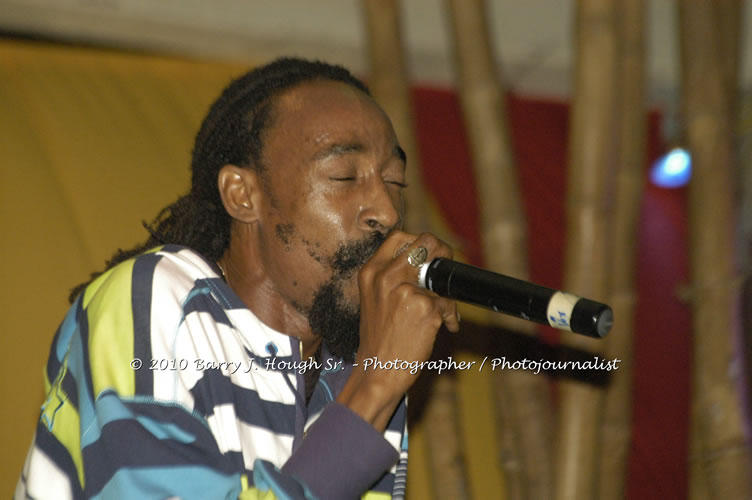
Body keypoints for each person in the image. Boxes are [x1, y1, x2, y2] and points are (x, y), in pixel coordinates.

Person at [15, 57, 459, 499]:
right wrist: (376, 387)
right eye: (344, 176)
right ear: (243, 195)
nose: (387, 211)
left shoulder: (353, 362)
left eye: (394, 181)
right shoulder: (154, 300)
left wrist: (372, 379)